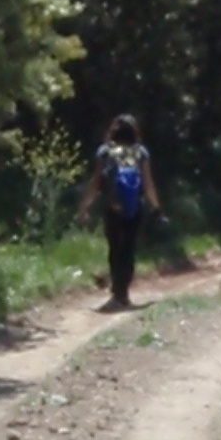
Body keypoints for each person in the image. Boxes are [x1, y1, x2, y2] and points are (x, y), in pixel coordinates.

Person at [78, 113, 160, 309]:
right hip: (135, 207)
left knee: (115, 248)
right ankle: (123, 293)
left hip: (112, 206)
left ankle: (117, 291)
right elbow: (148, 183)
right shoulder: (141, 153)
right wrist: (156, 206)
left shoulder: (105, 151)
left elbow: (96, 182)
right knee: (129, 248)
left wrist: (84, 206)